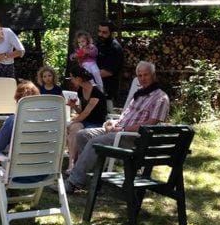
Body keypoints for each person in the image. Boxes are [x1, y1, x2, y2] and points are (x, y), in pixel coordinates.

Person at [64, 61, 170, 193]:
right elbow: (125, 116)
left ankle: (73, 182)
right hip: (119, 131)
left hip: (133, 138)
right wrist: (113, 123)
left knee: (94, 142)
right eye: (140, 75)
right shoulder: (139, 94)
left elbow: (150, 125)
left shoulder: (160, 97)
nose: (143, 78)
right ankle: (92, 177)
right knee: (82, 134)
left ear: (153, 75)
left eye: (146, 75)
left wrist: (123, 130)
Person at [65, 64, 107, 169]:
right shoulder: (80, 90)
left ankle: (80, 164)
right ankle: (72, 164)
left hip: (96, 123)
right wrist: (74, 106)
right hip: (85, 121)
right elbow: (81, 111)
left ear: (79, 79)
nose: (71, 80)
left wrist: (71, 122)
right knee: (74, 128)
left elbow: (86, 113)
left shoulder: (96, 93)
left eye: (72, 78)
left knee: (75, 128)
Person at [96, 20, 124, 106]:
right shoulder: (99, 44)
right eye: (99, 31)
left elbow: (107, 72)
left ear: (111, 33)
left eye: (104, 32)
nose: (101, 34)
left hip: (109, 93)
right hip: (97, 89)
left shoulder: (115, 48)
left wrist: (86, 75)